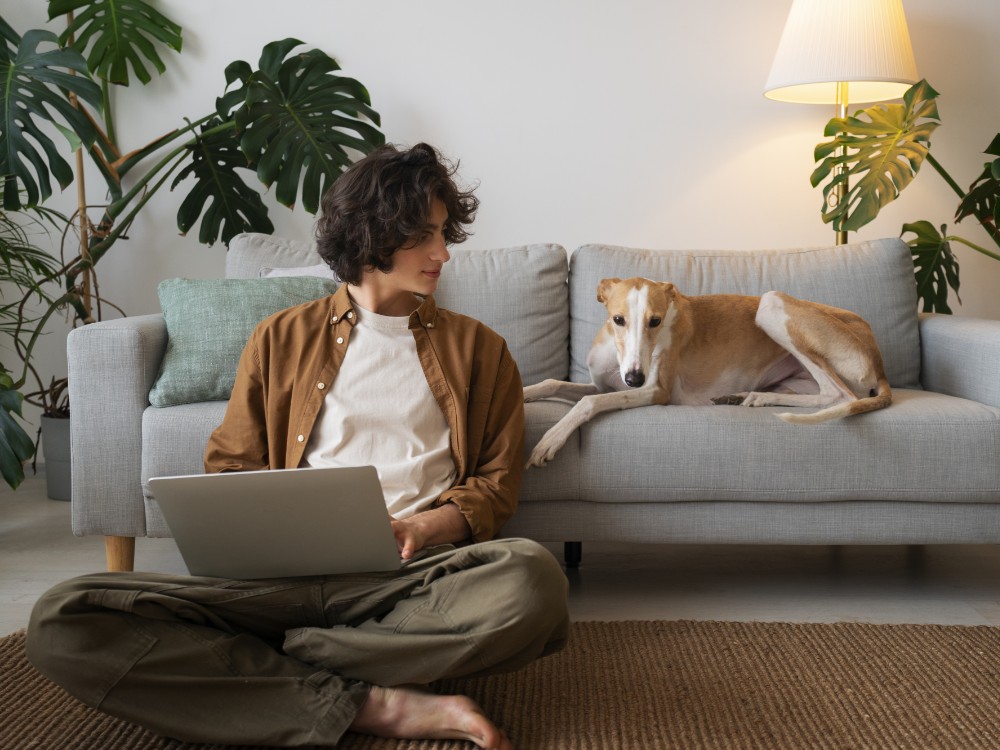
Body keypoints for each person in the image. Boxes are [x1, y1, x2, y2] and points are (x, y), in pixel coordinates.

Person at [26, 143, 569, 750]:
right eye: (425, 236)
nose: (443, 253)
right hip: (279, 580)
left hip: (411, 582)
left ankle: (278, 662)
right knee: (61, 617)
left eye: (444, 234)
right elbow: (230, 465)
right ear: (372, 235)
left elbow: (495, 487)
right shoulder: (280, 337)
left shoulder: (481, 350)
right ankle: (370, 699)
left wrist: (425, 528)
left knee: (532, 580)